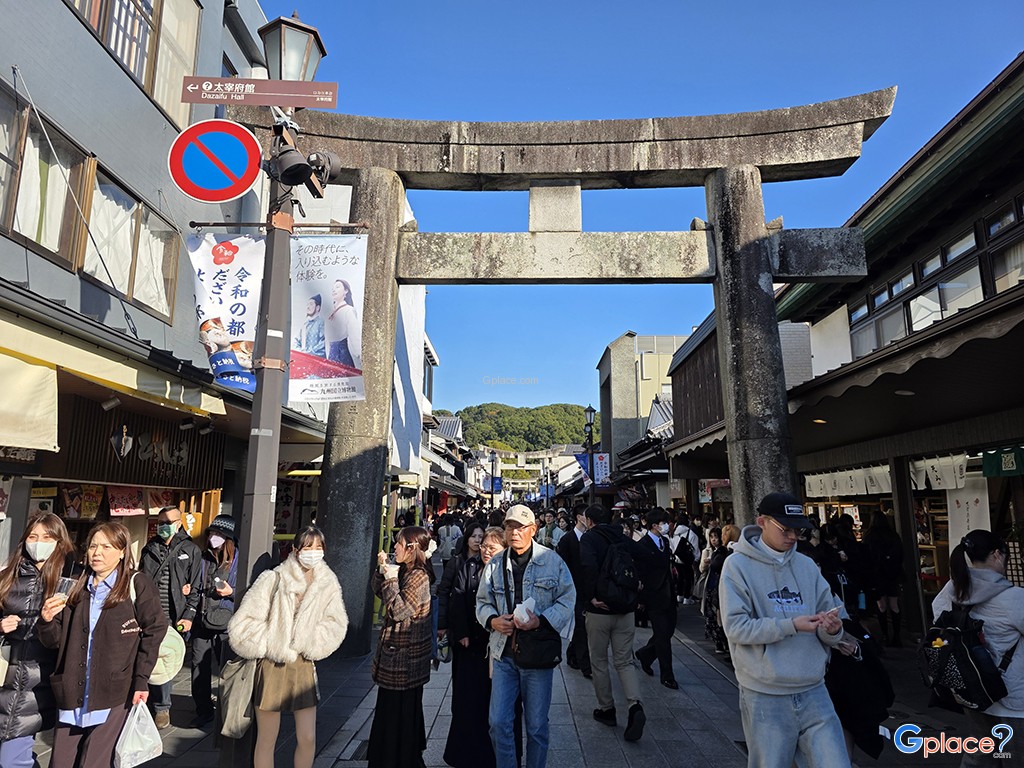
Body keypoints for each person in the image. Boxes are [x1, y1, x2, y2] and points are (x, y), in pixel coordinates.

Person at [719, 492, 850, 768]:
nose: (792, 537)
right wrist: (790, 625)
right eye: (785, 529)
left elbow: (829, 615)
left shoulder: (806, 565)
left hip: (814, 687)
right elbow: (736, 628)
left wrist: (833, 630)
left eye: (798, 530)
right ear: (762, 522)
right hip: (765, 692)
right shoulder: (737, 565)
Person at [37, 522, 167, 768]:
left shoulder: (136, 584)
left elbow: (154, 630)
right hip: (72, 691)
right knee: (60, 763)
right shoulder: (75, 586)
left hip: (114, 691)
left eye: (106, 546)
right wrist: (46, 620)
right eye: (93, 546)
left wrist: (141, 680)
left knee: (94, 763)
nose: (97, 553)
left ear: (121, 551)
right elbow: (54, 640)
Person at [228, 525, 348, 768]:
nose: (313, 552)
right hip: (271, 665)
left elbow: (336, 624)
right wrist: (272, 641)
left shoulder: (328, 583)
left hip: (303, 665)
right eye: (307, 547)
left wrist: (309, 641)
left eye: (318, 547)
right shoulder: (274, 578)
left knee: (307, 736)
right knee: (267, 739)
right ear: (295, 549)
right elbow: (242, 624)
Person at [476, 504, 576, 768]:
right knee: (497, 722)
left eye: (521, 527)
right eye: (510, 526)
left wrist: (540, 621)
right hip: (503, 653)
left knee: (536, 726)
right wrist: (492, 620)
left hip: (537, 655)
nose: (515, 532)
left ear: (533, 529)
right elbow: (482, 602)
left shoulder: (552, 561)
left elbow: (568, 599)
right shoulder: (496, 564)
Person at [932, 529, 1024, 766]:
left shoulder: (953, 591)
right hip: (1012, 699)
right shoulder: (1014, 598)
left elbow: (938, 620)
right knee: (1013, 757)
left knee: (982, 754)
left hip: (972, 691)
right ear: (996, 555)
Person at [0, 513, 80, 767]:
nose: (38, 542)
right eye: (33, 537)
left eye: (47, 537)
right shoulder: (7, 576)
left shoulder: (73, 578)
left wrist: (48, 620)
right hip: (6, 676)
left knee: (11, 760)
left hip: (43, 682)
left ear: (60, 540)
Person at [579, 504, 649, 741]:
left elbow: (587, 568)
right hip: (625, 609)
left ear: (589, 521)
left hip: (599, 610)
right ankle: (634, 705)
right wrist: (638, 587)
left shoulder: (589, 540)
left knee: (598, 661)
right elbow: (643, 557)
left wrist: (590, 597)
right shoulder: (622, 537)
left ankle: (607, 709)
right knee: (624, 661)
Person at [368, 526, 434, 768]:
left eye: (399, 543)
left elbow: (399, 610)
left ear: (411, 548)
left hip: (405, 659)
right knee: (390, 712)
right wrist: (382, 571)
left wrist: (391, 578)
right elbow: (381, 593)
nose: (394, 547)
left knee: (401, 715)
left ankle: (401, 760)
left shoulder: (418, 576)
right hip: (397, 657)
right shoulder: (406, 570)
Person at [138, 504, 202, 729]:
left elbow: (195, 587)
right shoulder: (150, 548)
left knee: (165, 661)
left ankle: (162, 708)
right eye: (160, 522)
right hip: (149, 613)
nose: (163, 526)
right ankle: (144, 705)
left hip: (175, 616)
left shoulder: (190, 550)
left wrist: (188, 616)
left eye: (168, 522)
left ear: (179, 523)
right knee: (147, 658)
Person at [437, 522, 492, 768]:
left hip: (486, 639)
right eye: (475, 536)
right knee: (465, 693)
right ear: (467, 538)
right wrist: (447, 626)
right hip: (466, 638)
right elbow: (450, 594)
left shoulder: (489, 566)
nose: (478, 541)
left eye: (483, 537)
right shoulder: (458, 563)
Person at [190, 514, 238, 728]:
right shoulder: (203, 558)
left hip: (226, 624)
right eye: (211, 533)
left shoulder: (239, 559)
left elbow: (249, 592)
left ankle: (229, 709)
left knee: (227, 669)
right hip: (202, 621)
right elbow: (194, 585)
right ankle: (203, 710)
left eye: (219, 534)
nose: (213, 538)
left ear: (228, 538)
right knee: (198, 667)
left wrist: (231, 593)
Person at [634, 508, 679, 689]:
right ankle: (667, 675)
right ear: (654, 525)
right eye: (663, 523)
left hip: (669, 594)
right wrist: (641, 599)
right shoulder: (643, 544)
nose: (667, 526)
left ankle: (645, 654)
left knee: (667, 631)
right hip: (653, 596)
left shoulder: (665, 542)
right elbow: (640, 572)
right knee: (662, 636)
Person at [556, 505, 592, 679]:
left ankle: (572, 655)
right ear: (579, 517)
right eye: (587, 515)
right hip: (573, 590)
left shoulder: (591, 539)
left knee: (581, 627)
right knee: (580, 627)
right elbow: (561, 567)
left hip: (589, 590)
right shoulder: (567, 540)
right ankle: (586, 665)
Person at [862, 509, 906, 647]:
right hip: (893, 574)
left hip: (877, 576)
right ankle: (897, 637)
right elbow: (901, 555)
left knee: (881, 606)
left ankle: (885, 636)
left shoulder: (869, 536)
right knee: (894, 605)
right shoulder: (893, 536)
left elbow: (866, 557)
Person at [705, 525, 740, 655]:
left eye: (721, 535)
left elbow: (715, 566)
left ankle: (724, 644)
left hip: (721, 587)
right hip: (717, 586)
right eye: (712, 537)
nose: (717, 539)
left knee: (720, 616)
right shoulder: (721, 551)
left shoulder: (726, 552)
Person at [326, 278, 362, 369]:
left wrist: (359, 355)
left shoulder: (348, 310)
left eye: (337, 287)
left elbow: (355, 335)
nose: (334, 290)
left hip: (342, 355)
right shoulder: (331, 313)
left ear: (346, 291)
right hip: (331, 356)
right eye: (332, 288)